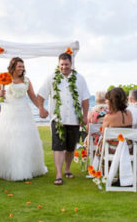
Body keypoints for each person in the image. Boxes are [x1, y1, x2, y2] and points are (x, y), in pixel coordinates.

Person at [0, 57, 47, 181]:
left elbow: (32, 96)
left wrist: (40, 108)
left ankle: (28, 168)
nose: (21, 68)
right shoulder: (4, 79)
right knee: (10, 140)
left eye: (22, 66)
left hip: (23, 112)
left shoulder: (26, 80)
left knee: (24, 140)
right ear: (13, 67)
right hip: (9, 113)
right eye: (19, 66)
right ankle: (8, 168)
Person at [38, 53, 90, 186]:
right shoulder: (51, 78)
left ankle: (67, 169)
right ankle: (58, 174)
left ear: (71, 64)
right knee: (58, 147)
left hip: (74, 119)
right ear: (58, 64)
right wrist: (41, 109)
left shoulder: (79, 79)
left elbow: (85, 99)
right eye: (61, 64)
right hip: (57, 119)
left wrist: (85, 115)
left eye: (66, 64)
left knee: (70, 148)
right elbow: (41, 95)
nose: (64, 67)